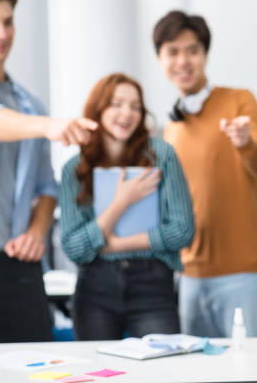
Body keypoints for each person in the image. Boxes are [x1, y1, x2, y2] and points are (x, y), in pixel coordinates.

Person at [153, 10, 257, 337]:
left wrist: (244, 142)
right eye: (173, 52)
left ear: (205, 54)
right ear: (160, 59)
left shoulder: (239, 101)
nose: (183, 60)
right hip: (190, 275)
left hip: (244, 271)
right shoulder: (171, 127)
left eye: (192, 50)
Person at [0, 0, 95, 343]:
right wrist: (49, 127)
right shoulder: (35, 119)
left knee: (34, 365)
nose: (2, 33)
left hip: (16, 266)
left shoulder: (31, 104)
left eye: (8, 22)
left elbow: (45, 187)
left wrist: (37, 232)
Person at [59, 73, 194, 340]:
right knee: (97, 375)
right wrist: (123, 201)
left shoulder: (161, 155)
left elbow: (182, 230)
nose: (127, 113)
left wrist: (114, 245)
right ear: (98, 109)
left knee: (162, 374)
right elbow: (74, 248)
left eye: (135, 106)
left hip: (153, 286)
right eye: (117, 104)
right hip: (95, 289)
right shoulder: (74, 169)